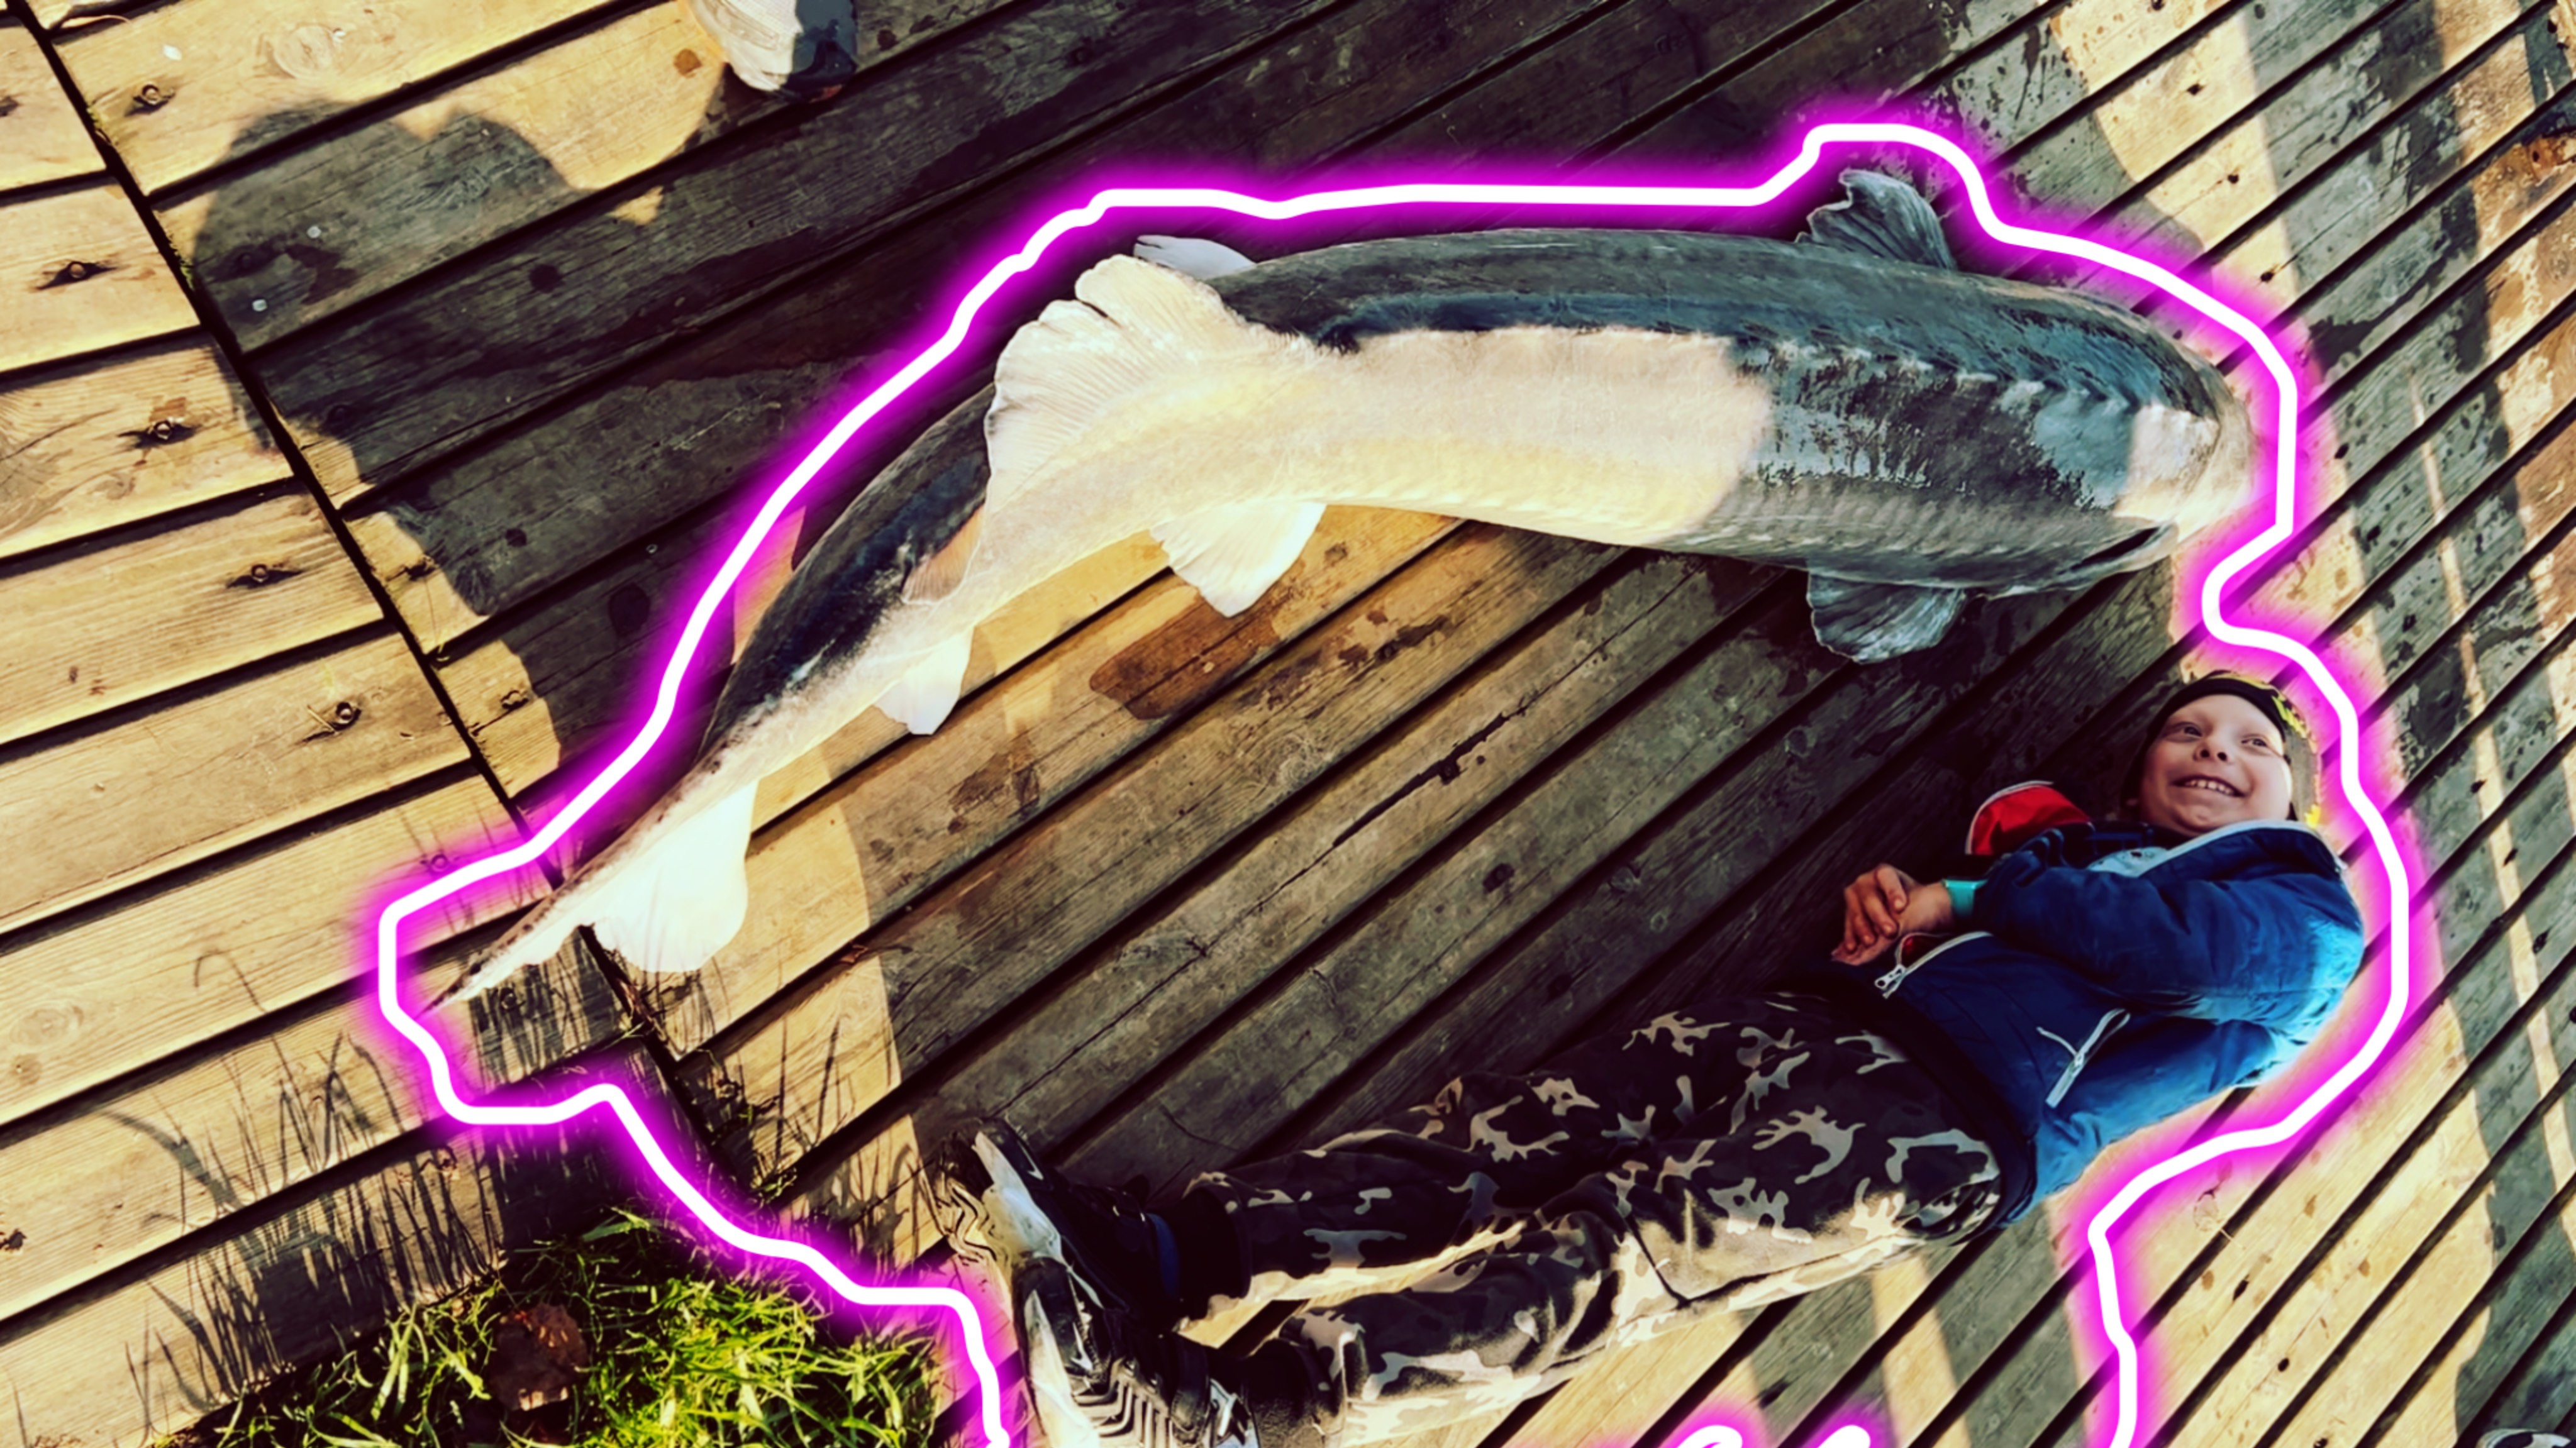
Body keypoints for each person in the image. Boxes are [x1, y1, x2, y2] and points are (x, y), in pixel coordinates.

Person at [931, 673, 2365, 1448]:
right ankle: (1161, 1257)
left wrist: (1984, 892)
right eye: (2185, 730)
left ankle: (1230, 1422)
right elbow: (2061, 916)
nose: (2210, 748)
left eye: (2249, 743)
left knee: (1609, 1257)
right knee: (1502, 1135)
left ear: (2291, 798)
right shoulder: (2081, 853)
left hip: (1943, 1130)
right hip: (1824, 1024)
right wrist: (1903, 920)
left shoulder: (2306, 917)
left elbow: (2168, 953)